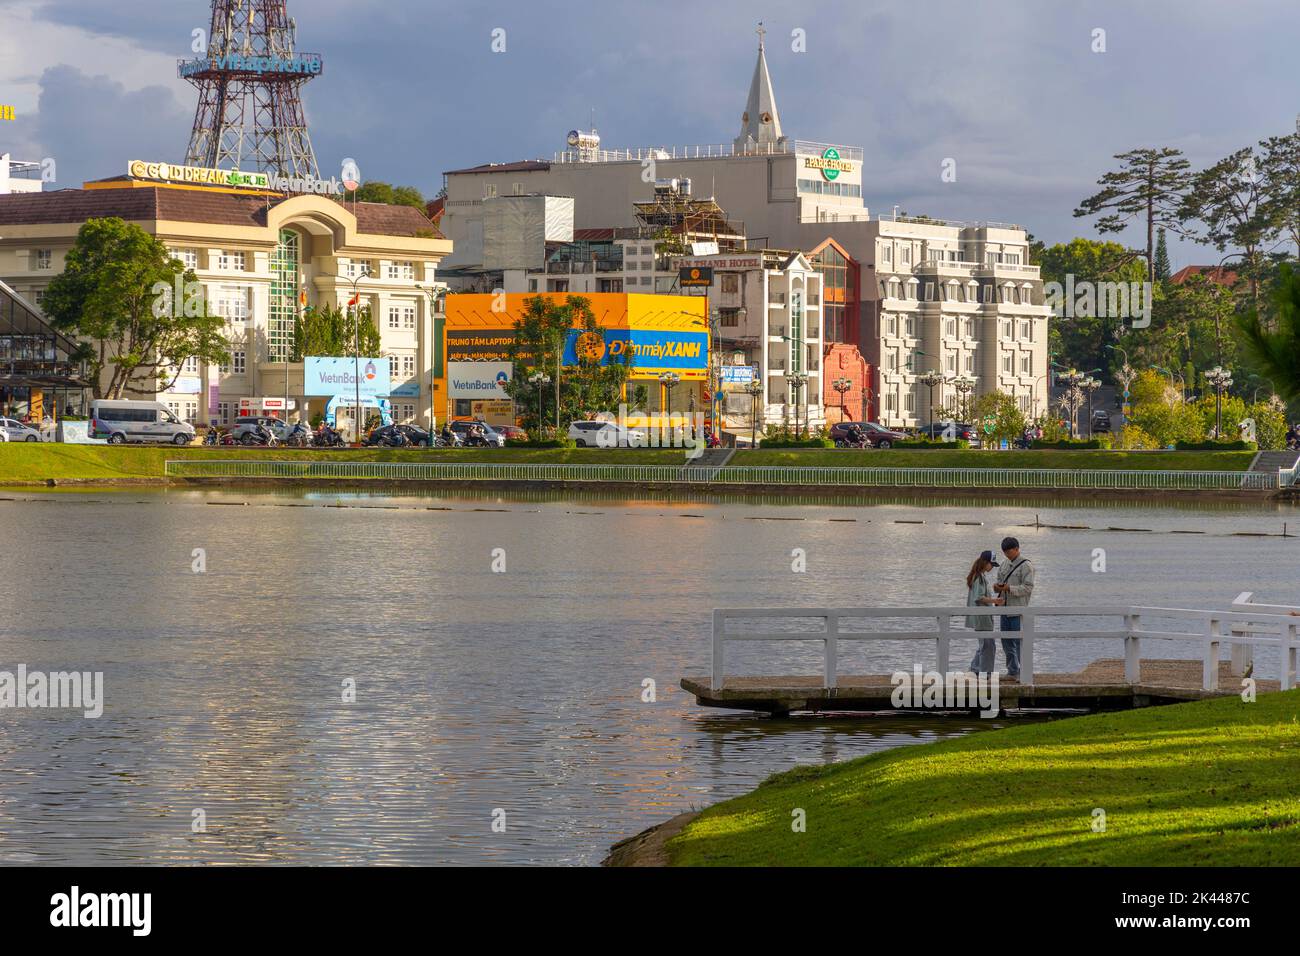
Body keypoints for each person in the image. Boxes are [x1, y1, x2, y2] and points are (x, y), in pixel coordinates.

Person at [992, 536, 1035, 680]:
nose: (1007, 555)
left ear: (1017, 549)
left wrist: (1010, 588)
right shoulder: (1003, 565)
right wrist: (997, 587)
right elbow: (999, 583)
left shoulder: (1026, 565)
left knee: (1019, 642)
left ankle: (1024, 672)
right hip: (1004, 609)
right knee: (1006, 642)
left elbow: (1028, 588)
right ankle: (1012, 671)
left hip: (1018, 610)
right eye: (1005, 552)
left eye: (1009, 552)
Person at [966, 550, 1003, 674]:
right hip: (982, 617)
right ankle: (985, 673)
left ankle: (974, 669)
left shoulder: (980, 576)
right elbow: (979, 597)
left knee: (985, 645)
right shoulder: (979, 578)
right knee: (988, 646)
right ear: (986, 562)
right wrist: (995, 600)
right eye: (991, 564)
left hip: (982, 617)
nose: (992, 567)